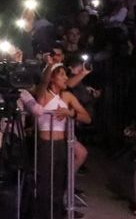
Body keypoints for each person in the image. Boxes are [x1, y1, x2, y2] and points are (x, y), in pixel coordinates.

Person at [34, 63, 91, 219]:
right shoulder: (43, 94)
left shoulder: (67, 96)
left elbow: (87, 118)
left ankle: (58, 214)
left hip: (61, 144)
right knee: (45, 185)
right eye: (62, 75)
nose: (66, 78)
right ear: (53, 77)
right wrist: (50, 65)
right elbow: (44, 82)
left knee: (60, 183)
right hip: (46, 145)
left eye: (66, 75)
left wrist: (70, 112)